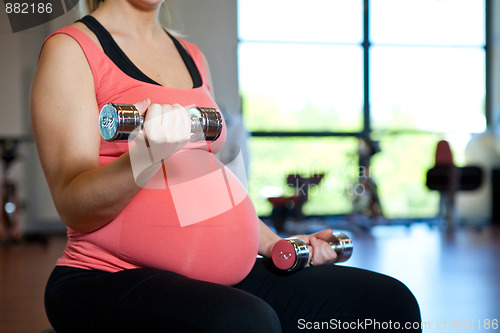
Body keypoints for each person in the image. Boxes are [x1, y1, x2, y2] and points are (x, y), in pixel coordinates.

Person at [30, 0, 421, 332]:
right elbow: (73, 205)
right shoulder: (72, 49)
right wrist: (145, 156)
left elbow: (205, 183)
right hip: (105, 278)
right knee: (246, 323)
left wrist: (276, 245)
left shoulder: (191, 56)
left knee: (389, 306)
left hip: (223, 275)